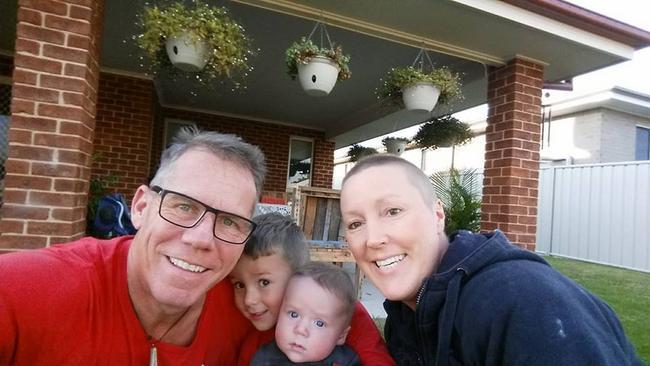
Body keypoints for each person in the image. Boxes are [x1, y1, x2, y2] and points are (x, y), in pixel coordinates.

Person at [339, 154, 643, 366]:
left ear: (437, 215)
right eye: (355, 224)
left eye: (392, 211)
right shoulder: (404, 319)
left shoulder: (520, 301)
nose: (372, 238)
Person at [0, 127, 266, 365]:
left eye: (230, 222)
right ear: (140, 207)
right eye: (184, 206)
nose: (201, 239)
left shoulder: (252, 312)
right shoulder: (27, 292)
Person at [230, 212, 394, 366]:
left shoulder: (341, 307)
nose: (249, 299)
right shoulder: (255, 346)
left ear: (298, 275)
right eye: (239, 285)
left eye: (264, 282)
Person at [251, 262, 360, 365]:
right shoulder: (264, 360)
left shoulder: (346, 362)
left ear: (340, 336)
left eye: (319, 323)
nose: (300, 330)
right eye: (293, 314)